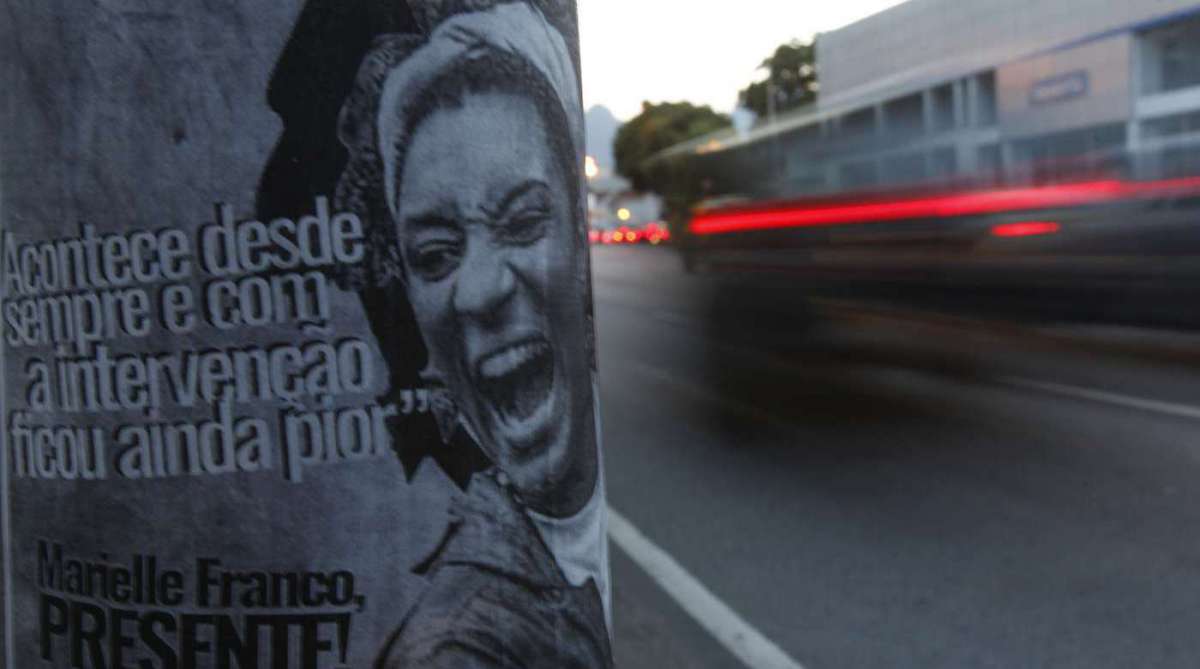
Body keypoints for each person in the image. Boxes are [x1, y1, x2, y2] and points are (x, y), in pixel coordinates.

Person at [334, 2, 611, 666]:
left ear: (582, 240)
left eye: (522, 221)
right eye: (435, 255)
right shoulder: (459, 643)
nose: (480, 292)